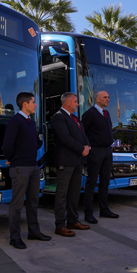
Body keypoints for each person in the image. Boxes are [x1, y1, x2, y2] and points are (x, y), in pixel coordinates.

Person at [1, 92, 49, 249]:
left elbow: (34, 142)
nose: (36, 105)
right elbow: (7, 145)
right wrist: (13, 158)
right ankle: (14, 237)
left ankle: (34, 232)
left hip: (33, 166)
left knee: (33, 201)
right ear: (25, 104)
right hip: (20, 167)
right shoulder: (15, 121)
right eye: (33, 102)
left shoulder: (30, 121)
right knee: (17, 203)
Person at [50, 92, 91, 236]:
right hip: (66, 161)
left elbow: (83, 135)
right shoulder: (58, 117)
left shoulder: (74, 118)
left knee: (74, 193)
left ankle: (73, 220)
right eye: (75, 101)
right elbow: (65, 138)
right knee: (62, 194)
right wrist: (82, 149)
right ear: (67, 103)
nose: (77, 104)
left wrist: (87, 146)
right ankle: (60, 225)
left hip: (78, 161)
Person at [81, 90, 119, 223]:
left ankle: (104, 210)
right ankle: (88, 213)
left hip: (107, 151)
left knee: (105, 182)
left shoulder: (106, 113)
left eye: (108, 97)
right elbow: (82, 132)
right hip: (95, 152)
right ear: (97, 99)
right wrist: (87, 146)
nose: (108, 99)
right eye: (105, 97)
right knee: (91, 182)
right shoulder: (89, 114)